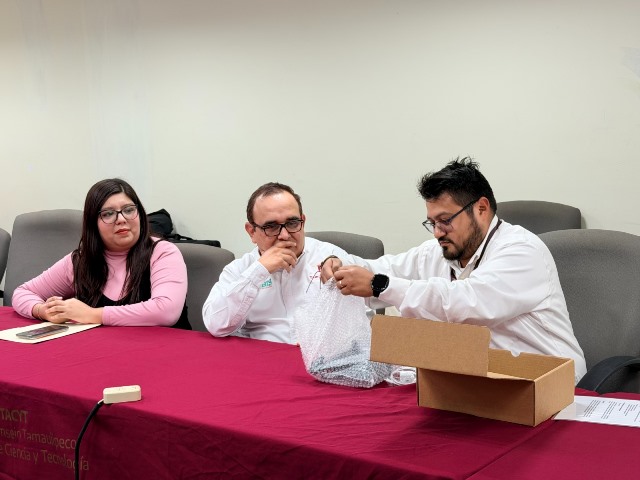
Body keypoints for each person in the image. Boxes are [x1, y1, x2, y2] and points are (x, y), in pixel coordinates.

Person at [321, 157, 587, 382]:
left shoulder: (522, 251)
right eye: (432, 222)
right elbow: (386, 269)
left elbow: (466, 302)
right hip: (480, 384)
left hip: (553, 387)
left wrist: (379, 285)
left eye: (445, 220)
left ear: (481, 208)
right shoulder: (437, 251)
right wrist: (340, 263)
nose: (437, 232)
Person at [12, 178, 191, 329]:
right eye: (108, 214)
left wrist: (92, 314)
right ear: (93, 224)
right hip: (104, 352)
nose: (121, 219)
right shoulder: (80, 261)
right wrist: (42, 310)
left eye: (129, 210)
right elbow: (22, 292)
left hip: (165, 351)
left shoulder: (163, 252)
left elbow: (166, 312)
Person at [203, 182, 358, 344]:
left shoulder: (332, 257)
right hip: (262, 354)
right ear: (251, 232)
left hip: (322, 355)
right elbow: (216, 326)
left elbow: (364, 319)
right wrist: (259, 271)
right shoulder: (240, 269)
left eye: (292, 223)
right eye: (271, 226)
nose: (284, 235)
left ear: (303, 222)